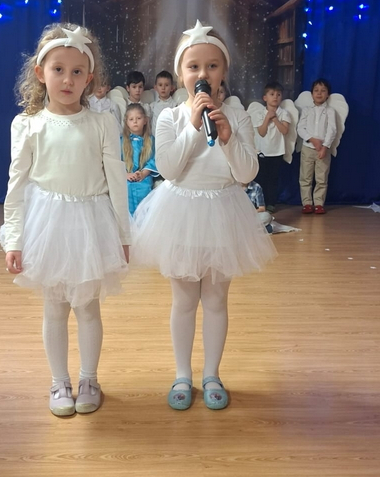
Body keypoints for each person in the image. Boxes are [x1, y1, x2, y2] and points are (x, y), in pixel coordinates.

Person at [132, 21, 277, 410]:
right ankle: (183, 374)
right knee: (183, 300)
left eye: (212, 66)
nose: (203, 74)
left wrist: (227, 137)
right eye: (193, 66)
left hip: (223, 212)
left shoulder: (237, 115)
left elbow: (246, 173)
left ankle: (212, 373)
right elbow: (169, 168)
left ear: (223, 71)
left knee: (215, 299)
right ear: (181, 73)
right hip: (180, 212)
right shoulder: (170, 117)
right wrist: (195, 126)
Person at [1, 24, 130, 417]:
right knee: (55, 307)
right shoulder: (27, 124)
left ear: (89, 78)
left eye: (77, 72)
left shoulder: (102, 122)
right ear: (40, 73)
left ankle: (89, 379)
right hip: (48, 226)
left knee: (88, 308)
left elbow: (116, 182)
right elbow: (16, 186)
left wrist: (123, 235)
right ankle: (59, 382)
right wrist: (14, 238)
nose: (67, 80)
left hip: (92, 224)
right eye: (58, 69)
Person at [250, 81, 292, 213]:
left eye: (278, 94)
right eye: (272, 94)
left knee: (273, 180)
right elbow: (261, 132)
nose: (275, 97)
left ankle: (271, 203)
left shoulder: (284, 113)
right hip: (262, 152)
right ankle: (259, 203)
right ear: (265, 98)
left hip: (277, 152)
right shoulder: (259, 113)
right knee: (261, 179)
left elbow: (285, 131)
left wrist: (275, 119)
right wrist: (267, 118)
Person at [297, 78, 336, 214]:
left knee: (321, 178)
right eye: (316, 90)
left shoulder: (330, 111)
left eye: (323, 91)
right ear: (312, 94)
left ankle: (319, 203)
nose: (319, 93)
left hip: (323, 150)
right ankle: (307, 203)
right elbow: (300, 128)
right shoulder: (307, 110)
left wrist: (325, 146)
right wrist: (312, 139)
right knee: (305, 177)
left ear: (328, 95)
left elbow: (332, 130)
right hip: (307, 148)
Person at [122, 103, 158, 215]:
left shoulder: (152, 141)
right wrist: (126, 174)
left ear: (145, 120)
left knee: (145, 189)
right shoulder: (120, 141)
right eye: (131, 119)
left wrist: (143, 173)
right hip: (125, 178)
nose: (135, 121)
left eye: (138, 118)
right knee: (126, 189)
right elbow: (116, 161)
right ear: (126, 122)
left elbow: (154, 160)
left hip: (144, 178)